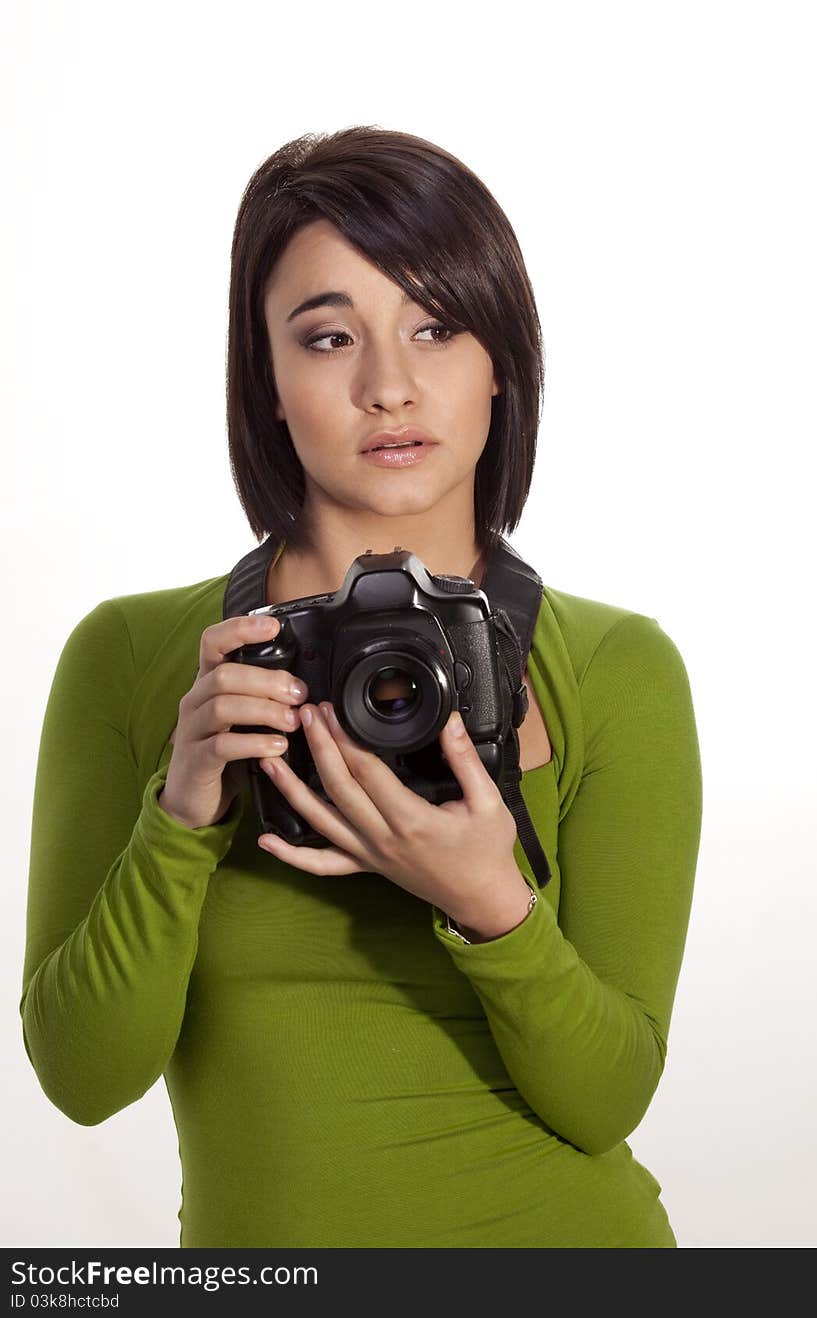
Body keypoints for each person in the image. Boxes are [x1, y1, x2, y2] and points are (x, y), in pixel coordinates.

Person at [20, 126, 703, 1248]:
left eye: (436, 325)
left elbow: (606, 1097)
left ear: (500, 361)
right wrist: (182, 810)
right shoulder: (140, 655)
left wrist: (489, 905)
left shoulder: (618, 667)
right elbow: (84, 1076)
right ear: (269, 381)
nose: (390, 386)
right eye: (329, 336)